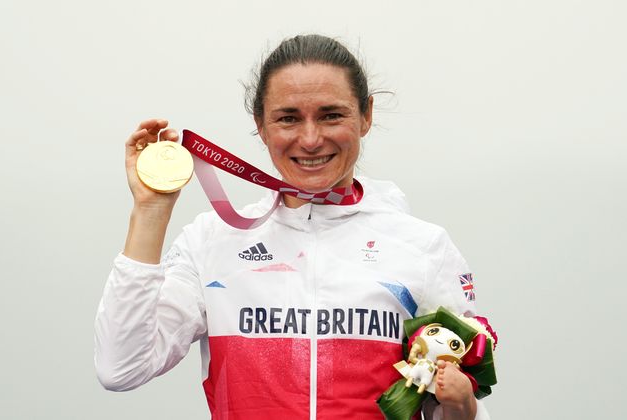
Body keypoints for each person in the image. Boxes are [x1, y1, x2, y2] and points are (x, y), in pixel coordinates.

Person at [94, 34, 491, 420]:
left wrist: (462, 408)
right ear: (261, 125)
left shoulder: (422, 247)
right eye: (288, 118)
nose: (311, 138)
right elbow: (122, 368)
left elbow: (453, 406)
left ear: (366, 115)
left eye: (331, 115)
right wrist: (150, 211)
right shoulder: (211, 242)